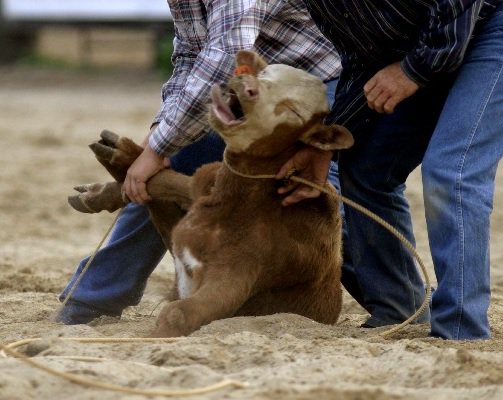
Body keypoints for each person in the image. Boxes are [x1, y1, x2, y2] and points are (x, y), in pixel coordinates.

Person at [56, 0, 343, 324]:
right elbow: (190, 55)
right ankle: (94, 298)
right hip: (248, 91)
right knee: (172, 164)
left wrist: (154, 152)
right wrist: (160, 133)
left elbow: (226, 58)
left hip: (304, 97)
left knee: (307, 201)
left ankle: (395, 309)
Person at [277, 0, 503, 339]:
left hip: (488, 30)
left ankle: (461, 330)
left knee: (451, 170)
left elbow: (457, 10)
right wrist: (324, 147)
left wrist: (412, 71)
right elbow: (360, 60)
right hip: (428, 47)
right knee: (365, 167)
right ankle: (402, 309)